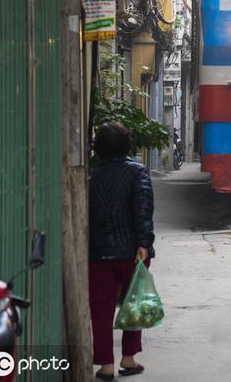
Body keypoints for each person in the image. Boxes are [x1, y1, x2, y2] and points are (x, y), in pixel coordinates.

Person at [88, 121, 155, 380]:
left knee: (101, 309)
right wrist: (144, 243)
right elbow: (143, 211)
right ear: (127, 145)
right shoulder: (137, 173)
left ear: (99, 148)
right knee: (134, 304)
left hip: (97, 253)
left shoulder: (92, 176)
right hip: (131, 251)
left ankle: (105, 365)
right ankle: (129, 359)